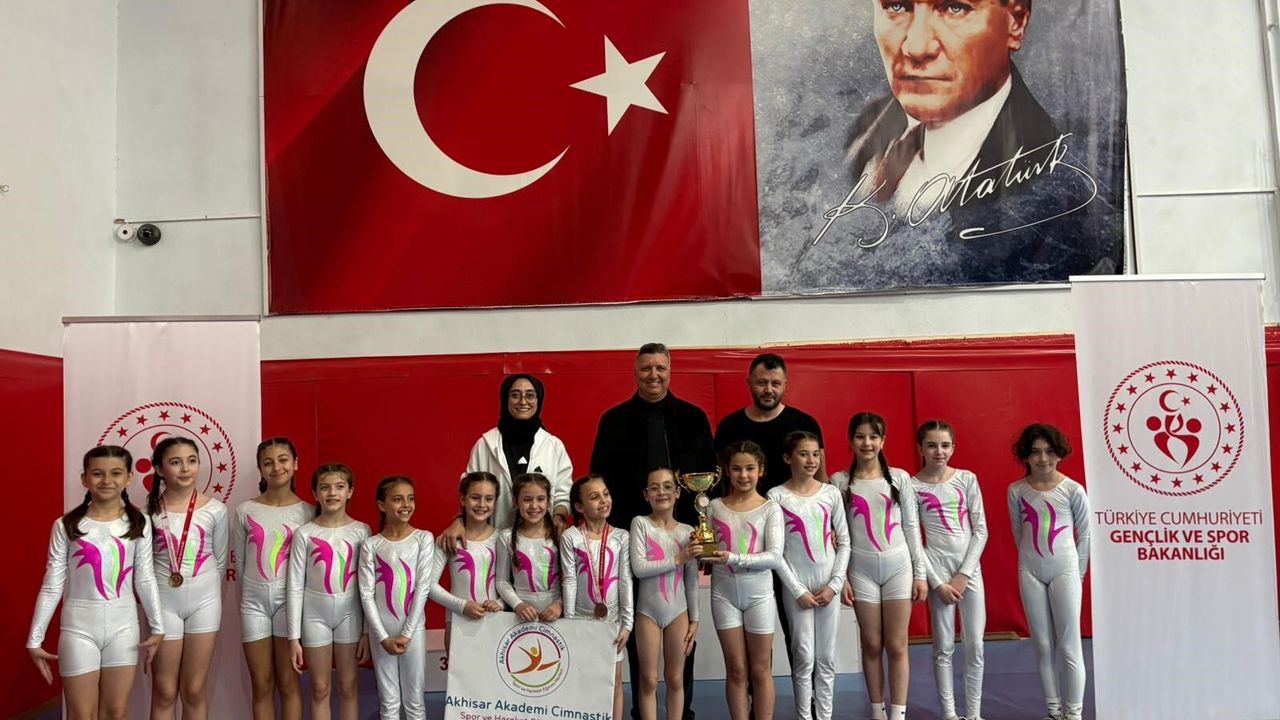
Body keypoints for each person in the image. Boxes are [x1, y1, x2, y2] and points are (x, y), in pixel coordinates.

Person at [591, 342, 715, 719]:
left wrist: (705, 538)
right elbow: (600, 481)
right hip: (632, 540)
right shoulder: (613, 421)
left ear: (670, 371)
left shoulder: (693, 418)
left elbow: (709, 484)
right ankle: (642, 712)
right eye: (646, 368)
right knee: (635, 636)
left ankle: (682, 712)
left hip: (683, 538)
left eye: (660, 368)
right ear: (635, 372)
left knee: (681, 649)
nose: (653, 375)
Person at [845, 0, 1058, 212]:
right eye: (897, 6)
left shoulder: (1049, 170)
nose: (917, 48)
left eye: (955, 8)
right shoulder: (865, 126)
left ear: (1015, 23)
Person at [713, 352, 825, 701]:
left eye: (775, 383)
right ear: (749, 382)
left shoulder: (803, 422)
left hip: (796, 544)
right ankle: (750, 703)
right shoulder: (730, 426)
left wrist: (827, 526)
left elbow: (820, 481)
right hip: (745, 546)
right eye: (762, 382)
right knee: (750, 646)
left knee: (799, 633)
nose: (768, 389)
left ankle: (809, 705)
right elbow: (718, 485)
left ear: (785, 384)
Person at [27, 445, 164, 720]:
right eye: (98, 473)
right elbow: (52, 584)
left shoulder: (139, 522)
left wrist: (158, 626)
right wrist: (35, 639)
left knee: (116, 713)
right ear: (84, 478)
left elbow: (145, 577)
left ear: (129, 478)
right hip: (79, 629)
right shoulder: (66, 525)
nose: (106, 480)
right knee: (81, 714)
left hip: (123, 628)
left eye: (116, 473)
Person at [834, 412, 928, 720]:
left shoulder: (899, 478)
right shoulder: (840, 482)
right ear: (850, 441)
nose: (867, 443)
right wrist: (842, 578)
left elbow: (912, 526)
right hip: (861, 571)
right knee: (872, 643)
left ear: (883, 441)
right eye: (860, 437)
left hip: (898, 568)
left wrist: (920, 574)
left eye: (873, 437)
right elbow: (838, 536)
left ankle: (898, 713)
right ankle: (877, 711)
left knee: (897, 644)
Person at [1007, 424, 1090, 720]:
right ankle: (1054, 711)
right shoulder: (1016, 491)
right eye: (1035, 452)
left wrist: (1077, 574)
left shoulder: (1072, 490)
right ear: (1025, 455)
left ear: (1060, 454)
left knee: (1069, 645)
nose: (1043, 458)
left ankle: (1073, 713)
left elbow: (1085, 536)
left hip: (1065, 571)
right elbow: (1019, 533)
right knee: (1042, 644)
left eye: (1049, 451)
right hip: (1030, 570)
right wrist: (1029, 563)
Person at [439, 375, 573, 552]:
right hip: (492, 543)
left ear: (539, 400)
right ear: (505, 399)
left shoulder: (553, 446)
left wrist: (558, 517)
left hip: (541, 543)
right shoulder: (486, 444)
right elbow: (470, 490)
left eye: (530, 395)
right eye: (515, 395)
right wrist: (459, 520)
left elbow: (564, 493)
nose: (523, 401)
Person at [767, 432, 849, 720]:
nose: (811, 460)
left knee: (826, 658)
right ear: (787, 458)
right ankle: (805, 716)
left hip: (828, 585)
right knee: (803, 657)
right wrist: (796, 590)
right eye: (803, 454)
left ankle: (824, 716)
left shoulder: (830, 493)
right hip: (797, 588)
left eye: (816, 454)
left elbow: (844, 542)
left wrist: (835, 585)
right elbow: (775, 551)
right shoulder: (776, 497)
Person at [146, 437, 229, 720]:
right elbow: (144, 568)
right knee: (164, 690)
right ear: (159, 469)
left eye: (192, 461)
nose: (185, 468)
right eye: (175, 462)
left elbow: (220, 562)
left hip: (204, 603)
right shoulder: (148, 514)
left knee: (194, 690)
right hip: (163, 605)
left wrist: (204, 592)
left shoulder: (216, 510)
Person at [911, 420, 988, 720]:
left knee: (975, 645)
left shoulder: (966, 479)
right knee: (943, 646)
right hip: (937, 571)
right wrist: (937, 582)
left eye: (944, 445)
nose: (938, 451)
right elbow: (914, 539)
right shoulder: (913, 486)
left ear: (953, 447)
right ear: (920, 448)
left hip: (968, 570)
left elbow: (980, 530)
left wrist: (965, 574)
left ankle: (974, 714)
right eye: (931, 445)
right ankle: (950, 714)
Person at [705, 441, 784, 720]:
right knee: (736, 669)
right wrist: (699, 547)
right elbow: (707, 549)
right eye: (736, 469)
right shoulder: (714, 507)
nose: (743, 475)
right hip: (723, 595)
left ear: (761, 470)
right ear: (726, 471)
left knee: (760, 669)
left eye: (750, 468)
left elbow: (774, 557)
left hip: (759, 595)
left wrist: (732, 558)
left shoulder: (770, 509)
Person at [235, 437, 312, 720]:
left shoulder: (308, 513)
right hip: (253, 604)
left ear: (295, 464)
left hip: (289, 605)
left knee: (289, 683)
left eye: (283, 460)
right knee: (261, 684)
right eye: (268, 462)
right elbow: (241, 565)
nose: (276, 467)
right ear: (260, 469)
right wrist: (249, 599)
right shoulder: (245, 511)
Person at [287, 463, 371, 720]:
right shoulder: (304, 534)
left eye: (339, 487)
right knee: (320, 687)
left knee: (348, 686)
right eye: (325, 487)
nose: (332, 493)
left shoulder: (362, 531)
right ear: (315, 493)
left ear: (350, 492)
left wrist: (366, 631)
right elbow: (295, 586)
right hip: (315, 617)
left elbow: (367, 586)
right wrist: (293, 637)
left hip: (350, 615)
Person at [359, 476, 434, 720]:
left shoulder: (423, 538)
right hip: (382, 632)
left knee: (415, 702)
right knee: (388, 703)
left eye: (410, 499)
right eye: (398, 499)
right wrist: (381, 637)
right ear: (382, 505)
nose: (406, 505)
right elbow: (366, 594)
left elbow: (422, 587)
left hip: (413, 630)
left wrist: (408, 632)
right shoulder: (371, 545)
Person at [561, 475, 634, 720]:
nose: (603, 500)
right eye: (594, 497)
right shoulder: (571, 537)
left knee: (614, 681)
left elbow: (625, 581)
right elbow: (569, 581)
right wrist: (570, 624)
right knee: (583, 680)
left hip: (612, 621)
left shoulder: (621, 536)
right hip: (581, 619)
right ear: (579, 507)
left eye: (606, 494)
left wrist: (627, 624)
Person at [629, 468, 700, 720]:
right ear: (646, 494)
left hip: (678, 613)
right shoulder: (640, 524)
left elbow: (691, 579)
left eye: (668, 486)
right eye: (655, 487)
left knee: (675, 678)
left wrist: (695, 618)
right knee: (648, 679)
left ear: (678, 492)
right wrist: (679, 558)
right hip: (647, 613)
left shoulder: (687, 531)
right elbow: (639, 569)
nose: (662, 492)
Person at [427, 472, 503, 651]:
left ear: (495, 501)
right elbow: (429, 585)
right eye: (475, 497)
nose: (482, 504)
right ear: (462, 499)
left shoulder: (501, 539)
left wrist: (499, 603)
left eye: (489, 499)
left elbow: (508, 582)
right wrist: (462, 606)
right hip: (458, 621)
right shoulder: (448, 539)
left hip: (495, 621)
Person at [496, 473, 564, 621]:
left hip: (555, 615)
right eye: (527, 499)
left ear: (548, 501)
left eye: (540, 499)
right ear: (516, 502)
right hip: (520, 616)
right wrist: (518, 605)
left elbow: (571, 579)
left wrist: (559, 604)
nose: (534, 506)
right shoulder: (506, 537)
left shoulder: (560, 535)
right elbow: (502, 581)